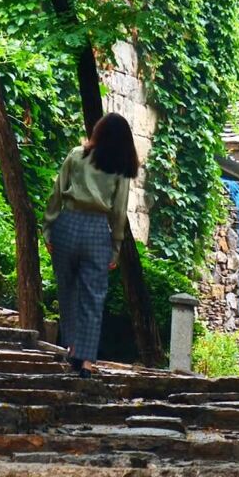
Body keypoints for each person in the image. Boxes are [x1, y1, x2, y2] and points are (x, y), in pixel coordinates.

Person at [43, 112, 138, 378]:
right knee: (93, 296)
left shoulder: (76, 155)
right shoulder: (120, 169)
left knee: (67, 290)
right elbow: (118, 212)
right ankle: (86, 361)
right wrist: (115, 246)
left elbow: (57, 192)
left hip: (68, 224)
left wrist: (48, 229)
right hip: (98, 230)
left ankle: (72, 347)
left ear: (98, 131)